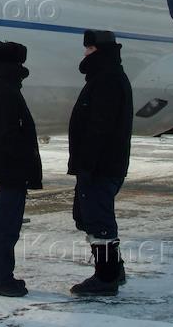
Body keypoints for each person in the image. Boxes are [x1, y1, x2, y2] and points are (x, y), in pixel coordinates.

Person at [67, 29, 134, 297]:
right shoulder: (107, 76)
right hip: (101, 164)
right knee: (90, 216)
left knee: (99, 220)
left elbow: (100, 127)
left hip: (100, 165)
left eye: (89, 48)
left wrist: (87, 164)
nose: (85, 53)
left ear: (99, 51)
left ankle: (106, 277)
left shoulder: (107, 79)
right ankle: (114, 269)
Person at [0, 41, 43, 297]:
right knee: (7, 226)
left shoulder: (2, 86)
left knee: (6, 225)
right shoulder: (6, 91)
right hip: (11, 171)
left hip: (9, 169)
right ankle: (0, 278)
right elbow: (8, 136)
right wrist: (23, 165)